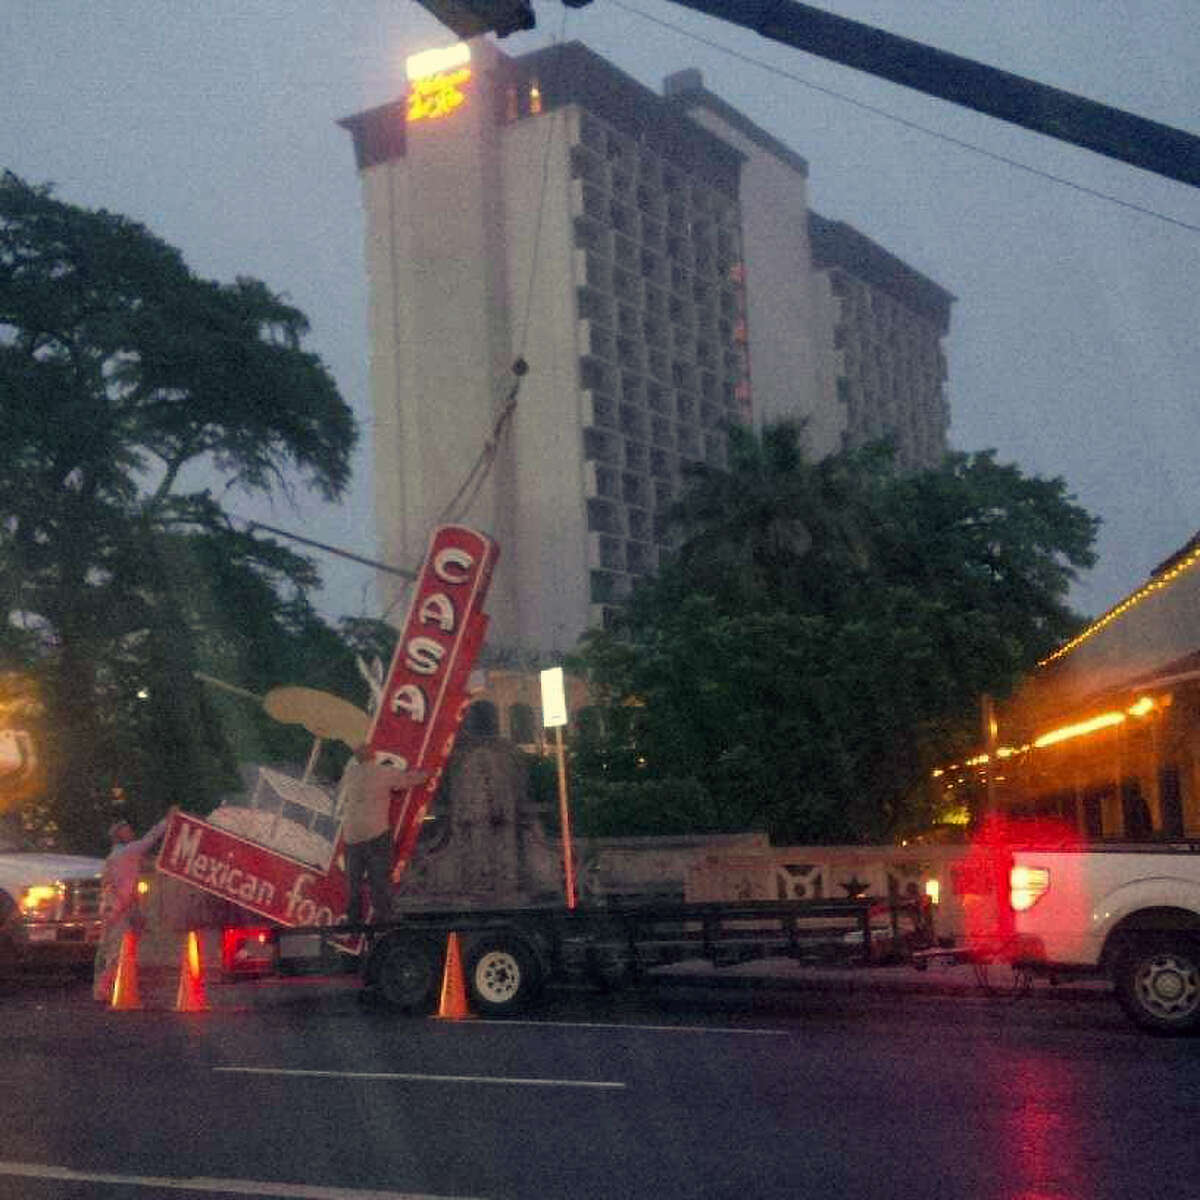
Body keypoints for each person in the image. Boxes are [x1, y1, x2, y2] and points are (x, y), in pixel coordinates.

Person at [92, 808, 175, 1003]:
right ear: (119, 835)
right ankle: (104, 989)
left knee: (116, 947)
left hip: (119, 905)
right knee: (116, 949)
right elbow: (150, 839)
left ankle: (116, 984)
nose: (130, 832)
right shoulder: (127, 852)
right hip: (120, 907)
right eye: (126, 830)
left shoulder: (117, 856)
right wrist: (167, 820)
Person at [338, 744, 428, 925]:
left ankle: (353, 916)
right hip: (375, 833)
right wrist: (427, 775)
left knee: (354, 881)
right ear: (373, 756)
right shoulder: (382, 772)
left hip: (351, 836)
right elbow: (407, 781)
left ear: (357, 759)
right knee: (379, 877)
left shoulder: (349, 775)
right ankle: (383, 915)